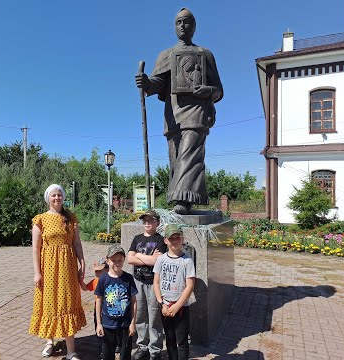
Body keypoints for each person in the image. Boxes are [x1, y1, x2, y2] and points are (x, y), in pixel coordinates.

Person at [135, 7, 223, 215]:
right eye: (179, 22)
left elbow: (219, 90)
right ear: (174, 27)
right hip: (173, 114)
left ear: (194, 26)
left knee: (189, 154)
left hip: (197, 112)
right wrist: (146, 82)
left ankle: (182, 202)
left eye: (187, 22)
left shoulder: (205, 54)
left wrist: (208, 91)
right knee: (176, 158)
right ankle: (183, 199)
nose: (183, 25)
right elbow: (157, 83)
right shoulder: (166, 55)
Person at [29, 184, 86, 360]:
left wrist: (82, 265)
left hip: (67, 269)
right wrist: (37, 272)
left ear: (63, 197)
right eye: (53, 195)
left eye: (59, 195)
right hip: (48, 269)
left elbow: (77, 243)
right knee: (49, 303)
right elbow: (36, 249)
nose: (57, 198)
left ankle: (71, 350)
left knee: (66, 303)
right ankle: (49, 341)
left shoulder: (71, 218)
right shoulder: (40, 219)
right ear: (48, 198)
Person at [128, 210, 167, 360]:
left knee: (154, 315)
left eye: (150, 220)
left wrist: (138, 255)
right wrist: (147, 257)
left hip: (153, 283)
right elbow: (130, 259)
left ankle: (155, 350)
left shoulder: (161, 240)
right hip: (138, 281)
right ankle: (142, 346)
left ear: (157, 222)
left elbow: (157, 261)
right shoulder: (137, 238)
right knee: (140, 314)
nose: (147, 223)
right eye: (144, 220)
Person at [153, 224, 195, 360]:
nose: (175, 241)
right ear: (165, 240)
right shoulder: (161, 259)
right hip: (165, 306)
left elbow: (190, 286)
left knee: (182, 341)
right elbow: (156, 282)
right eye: (171, 238)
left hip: (181, 307)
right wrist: (161, 303)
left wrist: (178, 306)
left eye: (178, 238)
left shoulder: (187, 261)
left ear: (183, 239)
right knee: (170, 339)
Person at [95, 244, 138, 360]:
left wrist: (133, 323)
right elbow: (98, 301)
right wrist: (99, 323)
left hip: (125, 324)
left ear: (124, 260)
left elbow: (134, 301)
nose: (117, 263)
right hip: (108, 324)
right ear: (108, 260)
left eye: (120, 260)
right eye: (113, 260)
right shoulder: (103, 279)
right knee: (108, 354)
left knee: (125, 354)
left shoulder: (128, 278)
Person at [80, 257, 109, 359]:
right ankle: (100, 346)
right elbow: (84, 288)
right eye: (96, 271)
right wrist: (80, 280)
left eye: (100, 271)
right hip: (98, 309)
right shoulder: (95, 281)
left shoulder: (109, 280)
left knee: (109, 328)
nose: (98, 273)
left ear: (107, 269)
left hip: (108, 308)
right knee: (98, 325)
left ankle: (114, 344)